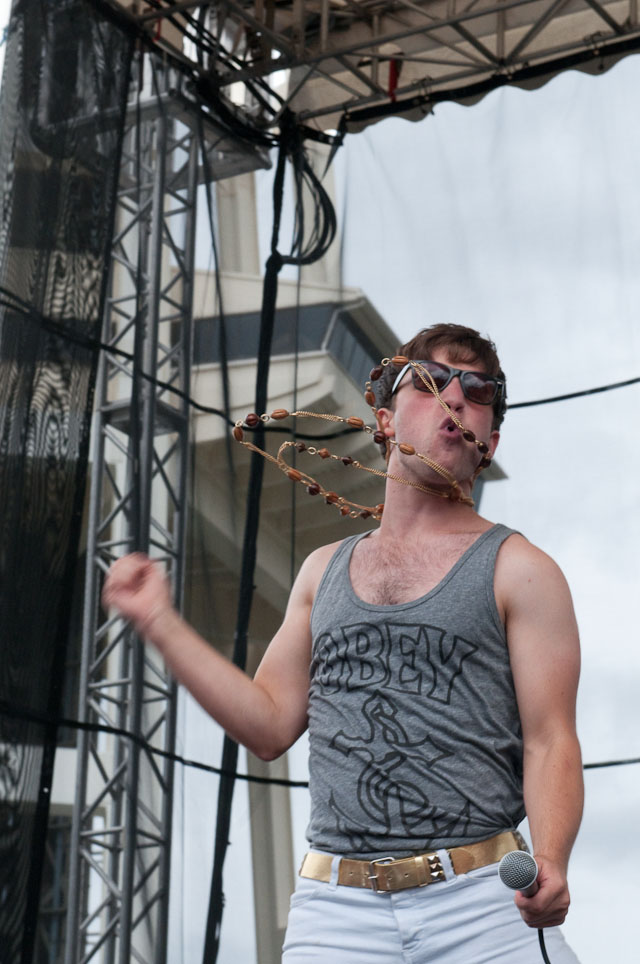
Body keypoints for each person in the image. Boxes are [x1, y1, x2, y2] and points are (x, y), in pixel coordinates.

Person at [103, 324, 583, 963]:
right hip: (335, 911)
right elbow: (268, 724)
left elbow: (551, 738)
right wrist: (160, 621)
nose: (453, 398)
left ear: (488, 443)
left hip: (480, 901)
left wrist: (551, 858)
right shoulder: (321, 571)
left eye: (477, 391)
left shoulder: (522, 569)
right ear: (384, 420)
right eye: (431, 382)